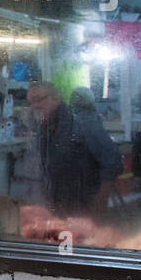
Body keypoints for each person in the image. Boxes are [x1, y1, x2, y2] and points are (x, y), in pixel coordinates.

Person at [26, 82, 123, 216]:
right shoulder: (43, 130)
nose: (33, 107)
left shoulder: (82, 123)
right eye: (30, 102)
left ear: (56, 98)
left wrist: (99, 203)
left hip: (84, 207)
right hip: (57, 207)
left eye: (37, 100)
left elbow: (113, 163)